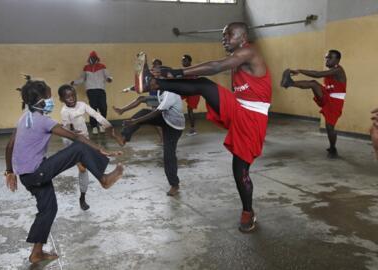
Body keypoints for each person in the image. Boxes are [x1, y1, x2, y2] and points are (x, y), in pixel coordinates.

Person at [133, 22, 271, 233]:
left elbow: (216, 66)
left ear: (243, 37)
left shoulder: (248, 51)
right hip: (238, 106)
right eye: (223, 35)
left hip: (253, 117)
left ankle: (248, 211)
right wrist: (171, 76)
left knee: (240, 171)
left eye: (229, 35)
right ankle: (155, 83)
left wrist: (177, 72)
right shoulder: (238, 55)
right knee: (203, 85)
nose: (224, 39)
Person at [4, 78, 123, 264]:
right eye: (49, 97)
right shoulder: (44, 121)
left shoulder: (23, 118)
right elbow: (76, 138)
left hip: (28, 176)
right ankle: (103, 178)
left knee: (48, 209)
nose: (51, 101)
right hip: (37, 172)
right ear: (41, 101)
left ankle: (36, 253)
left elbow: (9, 146)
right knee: (79, 149)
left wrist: (9, 171)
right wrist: (101, 150)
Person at [115, 73, 185, 197]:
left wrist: (136, 121)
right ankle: (124, 137)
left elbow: (157, 112)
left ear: (160, 83)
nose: (151, 87)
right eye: (151, 84)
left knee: (169, 154)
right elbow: (143, 87)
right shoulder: (159, 90)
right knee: (142, 111)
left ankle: (174, 185)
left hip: (174, 127)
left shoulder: (171, 94)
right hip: (165, 118)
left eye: (153, 84)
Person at [58, 84, 124, 211]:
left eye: (73, 96)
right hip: (74, 143)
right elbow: (65, 133)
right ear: (62, 99)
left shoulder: (82, 105)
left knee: (99, 156)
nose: (71, 99)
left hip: (86, 140)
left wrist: (108, 126)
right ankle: (83, 196)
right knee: (83, 170)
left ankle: (101, 179)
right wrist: (69, 150)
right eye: (67, 97)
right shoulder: (64, 112)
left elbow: (96, 115)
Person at [281, 50, 346, 158]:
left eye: (330, 58)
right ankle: (289, 83)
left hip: (335, 102)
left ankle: (333, 148)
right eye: (326, 57)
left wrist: (300, 71)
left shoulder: (338, 70)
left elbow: (318, 74)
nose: (327, 59)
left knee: (330, 127)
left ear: (337, 60)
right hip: (327, 96)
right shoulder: (332, 70)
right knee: (313, 84)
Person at [71, 51, 113, 135]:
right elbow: (82, 78)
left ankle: (102, 125)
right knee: (93, 108)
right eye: (91, 58)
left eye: (94, 58)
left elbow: (108, 76)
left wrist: (109, 79)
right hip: (91, 90)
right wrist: (74, 82)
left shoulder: (102, 66)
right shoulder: (86, 68)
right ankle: (94, 127)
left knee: (103, 107)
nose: (93, 59)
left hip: (101, 89)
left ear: (97, 58)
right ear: (89, 59)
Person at [180, 54, 200, 136]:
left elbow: (194, 79)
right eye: (182, 60)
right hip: (186, 91)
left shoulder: (193, 69)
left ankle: (193, 129)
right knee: (173, 99)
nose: (183, 62)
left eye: (184, 60)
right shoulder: (184, 70)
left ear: (189, 61)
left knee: (190, 109)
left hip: (193, 92)